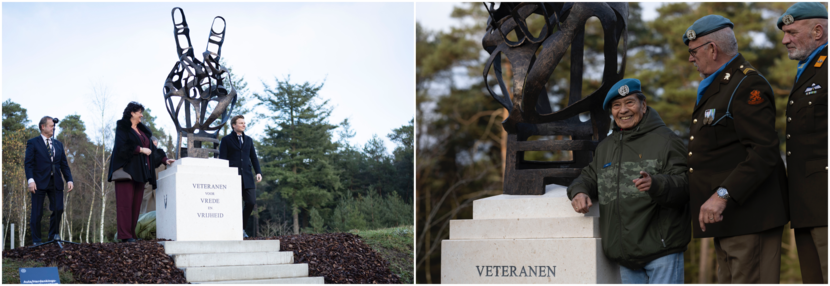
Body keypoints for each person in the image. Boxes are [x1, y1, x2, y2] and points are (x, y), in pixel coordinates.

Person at [684, 15, 788, 285]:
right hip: (730, 219)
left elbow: (763, 152)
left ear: (712, 49)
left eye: (693, 52)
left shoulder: (746, 85)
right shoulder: (720, 87)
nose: (690, 59)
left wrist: (722, 194)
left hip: (751, 218)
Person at [568, 79, 690, 285]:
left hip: (662, 254)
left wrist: (657, 184)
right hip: (625, 259)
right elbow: (589, 176)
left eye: (629, 103)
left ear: (643, 105)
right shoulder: (606, 147)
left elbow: (686, 185)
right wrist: (579, 191)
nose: (623, 110)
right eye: (616, 106)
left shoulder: (667, 140)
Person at [778, 1, 830, 284]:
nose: (785, 40)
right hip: (806, 204)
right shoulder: (808, 70)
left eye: (792, 32)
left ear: (818, 31)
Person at [107, 102, 174, 242]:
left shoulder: (142, 132)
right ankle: (124, 236)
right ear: (132, 113)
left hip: (140, 172)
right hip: (126, 171)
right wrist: (140, 150)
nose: (141, 115)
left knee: (136, 205)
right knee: (125, 205)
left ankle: (132, 235)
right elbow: (121, 146)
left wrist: (164, 159)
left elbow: (153, 150)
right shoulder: (123, 127)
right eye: (139, 112)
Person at [24, 116, 74, 246]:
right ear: (43, 127)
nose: (53, 128)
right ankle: (37, 241)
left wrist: (69, 179)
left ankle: (53, 238)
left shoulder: (58, 144)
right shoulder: (33, 142)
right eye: (51, 126)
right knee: (37, 212)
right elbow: (28, 163)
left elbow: (64, 164)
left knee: (59, 209)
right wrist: (30, 180)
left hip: (56, 181)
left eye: (54, 126)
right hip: (38, 182)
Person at [219, 115, 262, 238]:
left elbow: (253, 157)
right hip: (232, 178)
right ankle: (232, 230)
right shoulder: (226, 140)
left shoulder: (248, 140)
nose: (244, 125)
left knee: (251, 202)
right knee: (233, 205)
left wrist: (258, 172)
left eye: (244, 123)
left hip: (247, 177)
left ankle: (241, 228)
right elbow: (222, 159)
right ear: (234, 125)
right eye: (241, 123)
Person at [139, 136, 169, 215]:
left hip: (160, 188)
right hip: (147, 188)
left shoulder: (161, 157)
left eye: (156, 144)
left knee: (160, 212)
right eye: (153, 144)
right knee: (146, 212)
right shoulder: (142, 156)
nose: (154, 146)